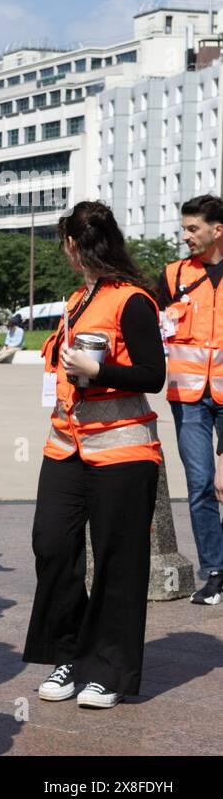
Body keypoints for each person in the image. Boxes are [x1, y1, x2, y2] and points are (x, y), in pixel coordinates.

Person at [24, 201, 163, 709]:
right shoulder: (78, 299)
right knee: (52, 547)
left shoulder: (132, 301)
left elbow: (153, 375)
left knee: (118, 561)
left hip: (123, 448)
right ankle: (70, 651)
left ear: (77, 246)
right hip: (65, 445)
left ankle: (107, 669)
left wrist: (100, 372)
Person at [157, 193, 223, 606]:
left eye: (193, 229)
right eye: (184, 228)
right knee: (199, 486)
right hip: (188, 398)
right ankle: (214, 572)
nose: (186, 237)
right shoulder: (174, 276)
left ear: (218, 230)